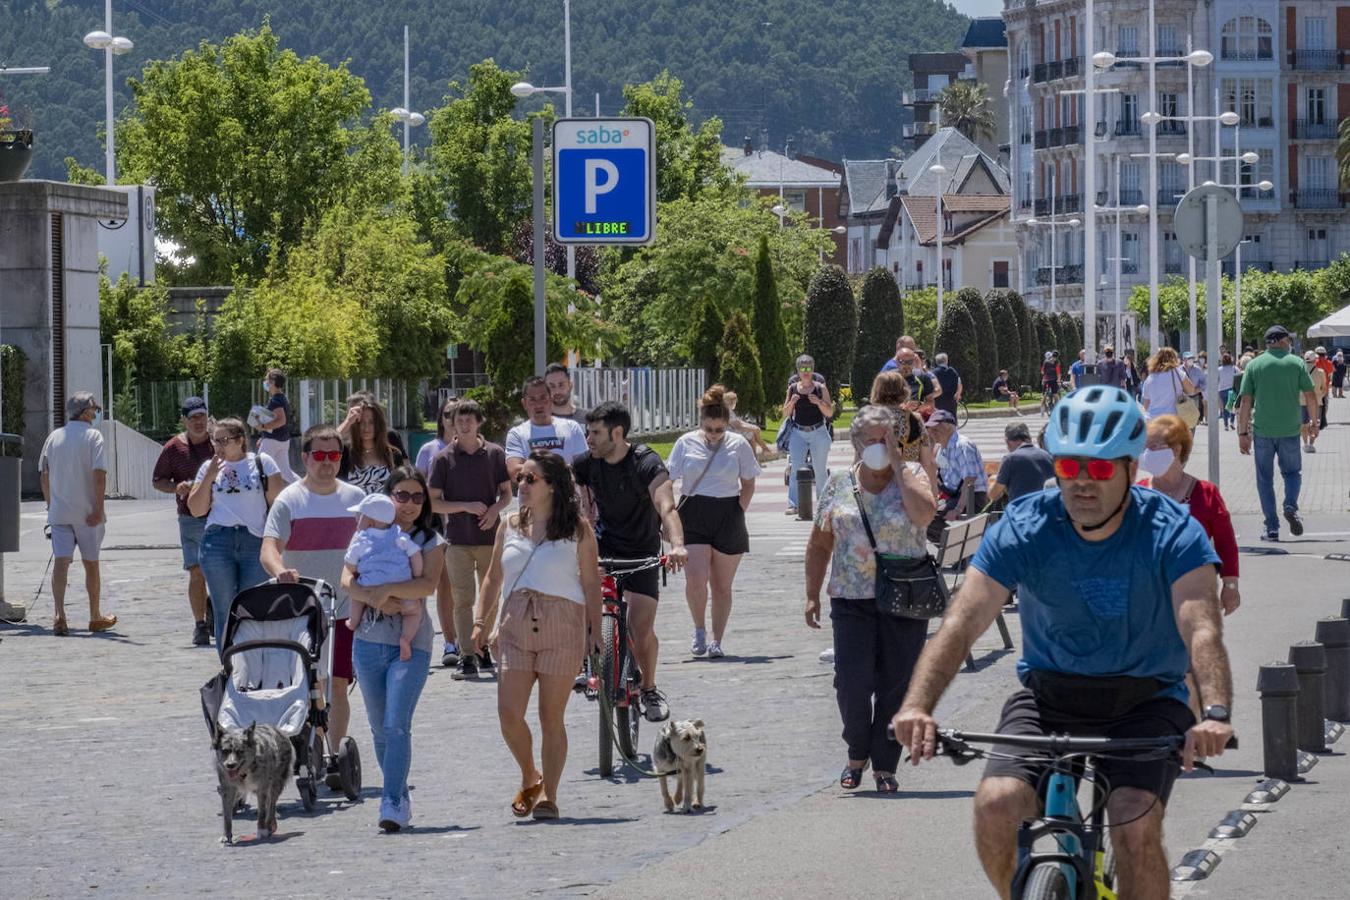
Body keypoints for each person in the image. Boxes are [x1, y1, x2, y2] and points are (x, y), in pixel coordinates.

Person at [893, 387, 1235, 899]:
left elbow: (1201, 625)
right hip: (1050, 694)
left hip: (1146, 698)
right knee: (995, 804)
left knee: (1132, 822)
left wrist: (1215, 712)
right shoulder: (1028, 524)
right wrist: (918, 706)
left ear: (1128, 466)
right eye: (1069, 467)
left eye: (1098, 470)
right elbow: (964, 620)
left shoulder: (1171, 531)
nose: (1081, 482)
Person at [805, 405, 936, 793]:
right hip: (851, 598)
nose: (880, 446)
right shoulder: (838, 484)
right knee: (852, 681)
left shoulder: (911, 477)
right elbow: (819, 543)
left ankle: (884, 765)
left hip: (904, 597)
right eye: (872, 440)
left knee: (896, 684)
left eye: (887, 439)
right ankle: (856, 752)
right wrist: (811, 595)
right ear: (856, 443)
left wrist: (898, 465)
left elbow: (924, 515)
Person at [472, 451, 602, 821]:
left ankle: (550, 794)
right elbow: (493, 578)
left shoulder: (577, 529)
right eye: (521, 479)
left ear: (553, 487)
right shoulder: (509, 524)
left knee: (551, 717)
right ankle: (530, 774)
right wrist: (481, 622)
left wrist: (595, 629)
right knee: (508, 714)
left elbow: (591, 582)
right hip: (514, 624)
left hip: (562, 623)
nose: (523, 485)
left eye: (532, 479)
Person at [343, 465, 446, 832]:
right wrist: (372, 597)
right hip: (369, 637)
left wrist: (385, 593)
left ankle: (391, 802)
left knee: (396, 724)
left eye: (417, 497)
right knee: (378, 727)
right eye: (401, 495)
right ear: (387, 497)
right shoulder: (365, 531)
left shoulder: (429, 540)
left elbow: (427, 586)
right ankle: (398, 790)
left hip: (411, 641)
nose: (409, 504)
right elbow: (346, 579)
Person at [574, 401, 688, 722]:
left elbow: (667, 507)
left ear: (617, 432)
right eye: (587, 432)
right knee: (585, 607)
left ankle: (649, 688)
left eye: (595, 433)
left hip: (642, 553)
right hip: (604, 549)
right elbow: (562, 492)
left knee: (640, 627)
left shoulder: (646, 462)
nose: (589, 439)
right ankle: (591, 664)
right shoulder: (586, 464)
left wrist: (677, 545)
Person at [262, 425, 366, 761]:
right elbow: (268, 549)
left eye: (333, 455)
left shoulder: (356, 499)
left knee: (338, 683)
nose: (326, 462)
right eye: (319, 455)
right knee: (313, 685)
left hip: (346, 609)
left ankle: (336, 755)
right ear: (305, 458)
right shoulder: (289, 500)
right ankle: (316, 750)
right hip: (303, 610)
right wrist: (281, 572)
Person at [668, 385, 761, 658]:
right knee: (696, 579)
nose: (713, 435)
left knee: (721, 586)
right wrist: (668, 514)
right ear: (702, 424)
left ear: (726, 426)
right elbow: (669, 479)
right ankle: (699, 629)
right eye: (709, 429)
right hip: (694, 512)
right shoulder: (685, 443)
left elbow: (748, 483)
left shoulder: (738, 444)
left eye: (719, 430)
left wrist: (737, 511)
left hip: (727, 512)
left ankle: (717, 640)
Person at [429, 398, 512, 678]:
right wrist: (463, 506)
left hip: (491, 538)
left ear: (479, 423)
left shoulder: (495, 453)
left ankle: (483, 647)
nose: (464, 425)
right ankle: (466, 655)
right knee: (462, 600)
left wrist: (494, 511)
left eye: (469, 420)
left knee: (491, 599)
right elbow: (434, 502)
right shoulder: (443, 459)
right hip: (457, 540)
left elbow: (507, 494)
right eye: (459, 420)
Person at [187, 417, 284, 648]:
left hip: (254, 540)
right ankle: (229, 666)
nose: (218, 446)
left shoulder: (263, 462)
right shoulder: (208, 467)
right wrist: (210, 475)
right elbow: (196, 509)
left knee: (253, 605)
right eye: (215, 441)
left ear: (240, 440)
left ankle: (252, 662)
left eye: (224, 440)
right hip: (218, 539)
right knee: (224, 607)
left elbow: (278, 506)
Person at [1140, 416, 1240, 617]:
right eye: (1144, 448)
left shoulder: (1206, 493)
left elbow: (1225, 543)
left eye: (1153, 447)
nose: (1146, 454)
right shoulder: (1137, 493)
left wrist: (1230, 586)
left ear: (1176, 450)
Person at [39, 392, 112, 636]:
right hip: (87, 513)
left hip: (60, 512)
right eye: (94, 410)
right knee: (91, 564)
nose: (96, 414)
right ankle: (95, 615)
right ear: (85, 412)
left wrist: (51, 505)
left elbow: (44, 474)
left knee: (61, 562)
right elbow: (99, 474)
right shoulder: (93, 436)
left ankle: (59, 614)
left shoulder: (54, 437)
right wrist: (99, 509)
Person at [1238, 325, 1318, 541]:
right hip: (1290, 429)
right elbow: (1310, 395)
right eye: (1288, 340)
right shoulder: (1296, 363)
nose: (1290, 343)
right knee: (1292, 473)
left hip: (1263, 431)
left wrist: (1242, 433)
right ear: (1281, 341)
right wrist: (1314, 422)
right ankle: (1290, 504)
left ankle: (1271, 527)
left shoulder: (1255, 365)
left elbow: (1246, 401)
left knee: (1265, 479)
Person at [151, 395, 216, 646]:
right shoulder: (174, 448)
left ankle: (218, 613)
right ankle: (200, 624)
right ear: (184, 421)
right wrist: (176, 488)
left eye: (202, 416)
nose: (198, 422)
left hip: (221, 517)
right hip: (190, 518)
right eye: (193, 418)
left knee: (220, 573)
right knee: (197, 571)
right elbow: (158, 481)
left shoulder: (219, 443)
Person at [344, 493, 425, 661]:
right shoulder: (399, 536)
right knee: (414, 612)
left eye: (359, 516)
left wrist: (355, 568)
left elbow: (350, 565)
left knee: (357, 594)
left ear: (370, 521)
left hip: (371, 585)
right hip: (401, 585)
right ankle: (406, 639)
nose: (357, 519)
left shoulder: (361, 539)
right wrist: (416, 575)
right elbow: (416, 554)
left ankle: (353, 620)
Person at [505, 376, 588, 481]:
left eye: (543, 397)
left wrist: (534, 470)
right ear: (524, 404)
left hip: (567, 497)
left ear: (551, 399)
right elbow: (514, 472)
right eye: (532, 399)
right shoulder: (516, 434)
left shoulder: (572, 428)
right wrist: (561, 470)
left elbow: (584, 468)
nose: (538, 405)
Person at [782, 354, 835, 515]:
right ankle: (793, 504)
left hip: (818, 431)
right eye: (803, 368)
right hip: (798, 432)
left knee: (819, 469)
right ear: (798, 370)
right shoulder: (792, 389)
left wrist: (818, 402)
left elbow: (830, 412)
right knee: (795, 468)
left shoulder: (820, 388)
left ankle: (823, 503)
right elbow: (785, 413)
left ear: (813, 369)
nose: (806, 371)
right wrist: (792, 402)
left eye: (809, 368)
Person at [868, 371, 939, 491]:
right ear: (904, 391)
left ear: (877, 391)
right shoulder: (915, 419)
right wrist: (933, 492)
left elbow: (859, 459)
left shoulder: (869, 421)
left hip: (880, 487)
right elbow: (926, 461)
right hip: (910, 484)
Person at [926, 410, 989, 524]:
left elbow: (969, 481)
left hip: (973, 498)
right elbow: (938, 478)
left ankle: (954, 540)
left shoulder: (962, 445)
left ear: (950, 427)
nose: (932, 432)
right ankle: (953, 540)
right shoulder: (942, 448)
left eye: (936, 428)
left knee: (929, 517)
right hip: (954, 496)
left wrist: (958, 509)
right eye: (930, 429)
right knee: (923, 511)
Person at [338, 398, 406, 494]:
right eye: (361, 422)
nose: (366, 427)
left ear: (379, 424)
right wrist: (348, 422)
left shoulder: (394, 454)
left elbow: (401, 489)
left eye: (371, 422)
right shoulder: (345, 453)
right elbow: (326, 443)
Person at [986, 422, 1056, 506]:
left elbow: (994, 494)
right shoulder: (1047, 456)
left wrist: (993, 481)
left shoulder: (1010, 460)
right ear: (1029, 439)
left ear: (1007, 442)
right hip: (1045, 512)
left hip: (1020, 514)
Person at [256, 369, 298, 483]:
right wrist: (263, 435)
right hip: (282, 440)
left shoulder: (275, 400)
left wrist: (263, 427)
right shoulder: (282, 398)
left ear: (273, 382)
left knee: (258, 466)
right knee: (285, 472)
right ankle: (307, 490)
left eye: (266, 380)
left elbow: (281, 420)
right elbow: (278, 420)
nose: (265, 382)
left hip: (272, 441)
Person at [1139, 347, 1196, 422]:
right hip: (1172, 420)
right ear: (1174, 359)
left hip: (1152, 420)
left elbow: (1146, 404)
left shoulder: (1150, 378)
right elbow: (1191, 390)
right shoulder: (1178, 373)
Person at [414, 397, 457, 476]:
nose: (452, 419)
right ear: (441, 419)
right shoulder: (427, 449)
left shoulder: (470, 450)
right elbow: (418, 485)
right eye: (448, 414)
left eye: (456, 414)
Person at [892, 347, 940, 413]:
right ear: (896, 362)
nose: (906, 365)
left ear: (914, 361)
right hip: (893, 419)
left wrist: (919, 406)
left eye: (910, 362)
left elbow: (931, 403)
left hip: (915, 419)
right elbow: (878, 402)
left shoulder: (923, 377)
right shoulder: (889, 378)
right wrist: (902, 406)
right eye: (902, 362)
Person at [723, 390, 771, 457]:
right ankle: (763, 450)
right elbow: (738, 426)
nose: (735, 403)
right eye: (734, 401)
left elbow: (739, 421)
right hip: (730, 432)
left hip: (733, 430)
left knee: (753, 433)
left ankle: (758, 455)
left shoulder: (729, 410)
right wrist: (753, 428)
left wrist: (753, 427)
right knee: (752, 433)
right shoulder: (726, 411)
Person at [1301, 350, 1328, 453]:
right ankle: (1311, 444)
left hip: (1302, 401)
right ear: (1315, 360)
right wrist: (1320, 395)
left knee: (1303, 424)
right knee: (1315, 423)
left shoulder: (1300, 371)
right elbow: (1324, 388)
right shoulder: (1320, 372)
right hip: (1317, 401)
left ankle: (1305, 443)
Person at [929, 353, 962, 417]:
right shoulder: (952, 371)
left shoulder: (933, 373)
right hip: (951, 402)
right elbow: (959, 384)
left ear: (936, 362)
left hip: (938, 403)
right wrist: (958, 394)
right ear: (946, 360)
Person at [1181, 352, 1207, 424]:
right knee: (1183, 419)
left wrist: (1198, 389)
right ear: (1184, 360)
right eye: (1189, 358)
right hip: (1183, 398)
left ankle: (1191, 435)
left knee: (1193, 420)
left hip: (1194, 397)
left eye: (1192, 358)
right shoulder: (1179, 370)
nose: (1191, 360)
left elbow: (1204, 383)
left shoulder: (1198, 370)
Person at [1216, 353, 1239, 431]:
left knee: (1225, 408)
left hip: (1222, 390)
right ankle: (1232, 422)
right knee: (1232, 406)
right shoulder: (1235, 368)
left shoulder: (1219, 369)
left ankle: (1225, 424)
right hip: (1232, 390)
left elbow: (1217, 380)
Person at [1313, 346, 1333, 429]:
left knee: (1316, 404)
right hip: (1325, 388)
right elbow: (1331, 375)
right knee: (1325, 405)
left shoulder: (1314, 362)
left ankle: (1317, 420)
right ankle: (1323, 420)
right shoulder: (1329, 362)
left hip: (1315, 387)